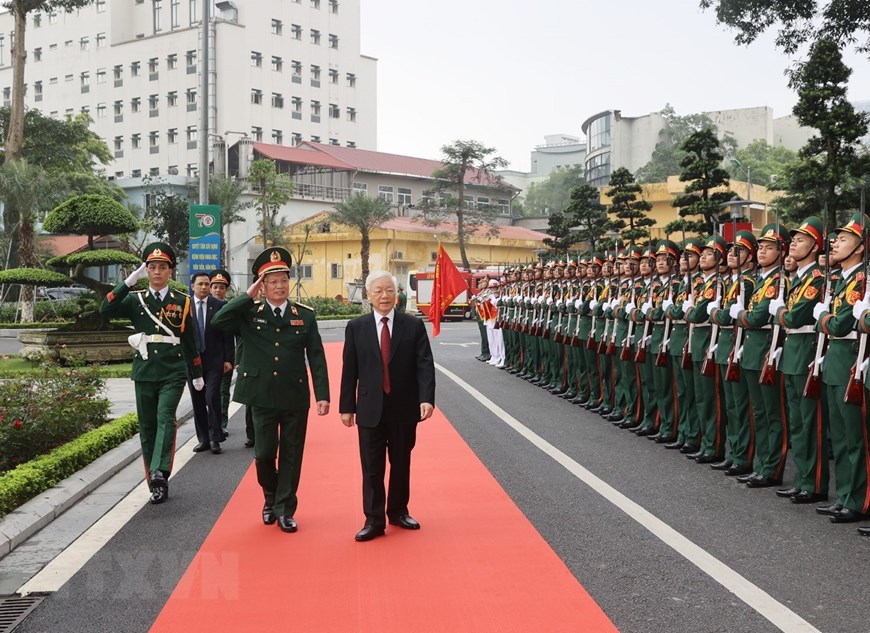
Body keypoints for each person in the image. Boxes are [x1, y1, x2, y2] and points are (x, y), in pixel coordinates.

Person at [211, 247, 330, 533]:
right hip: (260, 395)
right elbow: (218, 322)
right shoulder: (249, 314)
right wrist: (246, 296)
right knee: (264, 454)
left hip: (294, 394)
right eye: (272, 281)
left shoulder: (305, 316)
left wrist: (323, 394)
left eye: (283, 281)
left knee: (292, 455)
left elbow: (316, 356)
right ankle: (270, 497)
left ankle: (284, 508)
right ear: (262, 286)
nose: (279, 286)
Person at [99, 242, 203, 504]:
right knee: (147, 427)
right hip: (145, 370)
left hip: (173, 370)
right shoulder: (136, 300)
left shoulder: (183, 301)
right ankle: (154, 481)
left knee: (166, 417)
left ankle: (160, 472)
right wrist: (127, 282)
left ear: (171, 271)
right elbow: (105, 310)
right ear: (146, 271)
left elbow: (190, 340)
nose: (157, 272)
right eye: (152, 267)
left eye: (162, 267)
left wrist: (197, 372)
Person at [339, 270, 436, 542]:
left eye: (389, 290)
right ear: (369, 296)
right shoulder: (356, 327)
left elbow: (424, 364)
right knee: (371, 468)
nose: (384, 296)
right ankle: (373, 520)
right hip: (370, 407)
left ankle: (398, 511)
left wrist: (426, 398)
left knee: (401, 463)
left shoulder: (412, 326)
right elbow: (350, 369)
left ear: (397, 294)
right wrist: (347, 406)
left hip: (404, 407)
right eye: (378, 291)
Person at [188, 272, 234, 454]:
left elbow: (227, 334)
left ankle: (216, 438)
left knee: (212, 396)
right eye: (200, 284)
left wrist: (229, 359)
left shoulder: (219, 305)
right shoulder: (185, 306)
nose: (204, 287)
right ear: (192, 286)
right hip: (193, 361)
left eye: (207, 284)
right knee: (197, 400)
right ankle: (203, 439)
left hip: (215, 359)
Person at [209, 269, 233, 437]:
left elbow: (231, 336)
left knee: (223, 392)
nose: (218, 290)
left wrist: (231, 359)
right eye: (215, 287)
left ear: (226, 290)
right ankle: (211, 424)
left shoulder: (229, 308)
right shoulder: (201, 305)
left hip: (224, 359)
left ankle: (222, 424)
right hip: (207, 359)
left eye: (221, 288)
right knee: (209, 394)